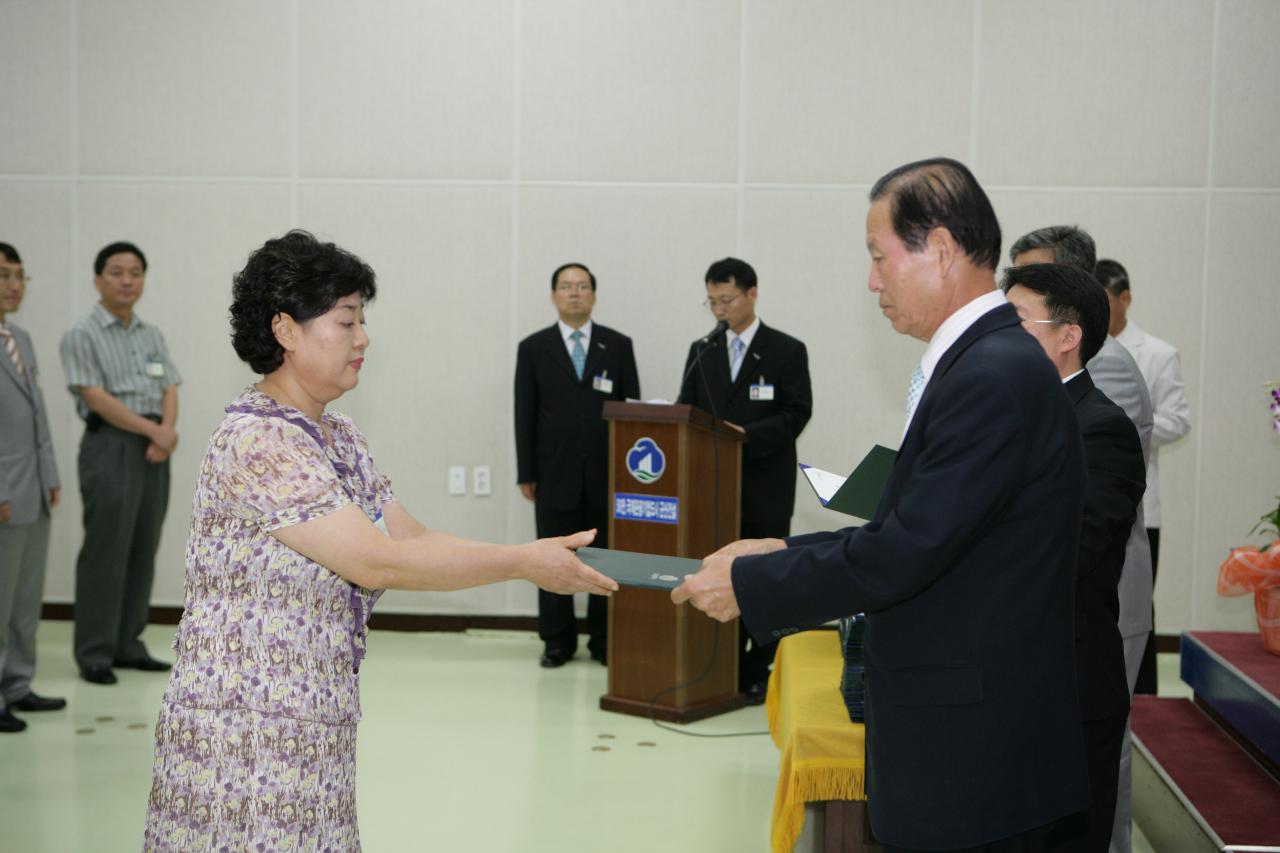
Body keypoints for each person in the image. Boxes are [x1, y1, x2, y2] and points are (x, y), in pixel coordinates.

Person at [144, 231, 617, 851]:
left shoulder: (336, 433)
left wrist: (529, 556)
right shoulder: (258, 439)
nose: (363, 338)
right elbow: (375, 560)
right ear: (286, 330)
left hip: (313, 713)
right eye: (347, 321)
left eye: (362, 320)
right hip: (244, 728)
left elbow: (408, 536)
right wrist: (522, 562)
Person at [674, 158, 1090, 851]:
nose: (872, 280)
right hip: (972, 751)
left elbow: (905, 552)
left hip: (976, 763)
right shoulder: (985, 363)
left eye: (879, 256)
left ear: (941, 249)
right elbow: (918, 530)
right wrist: (778, 550)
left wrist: (752, 582)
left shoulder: (991, 375)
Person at [1010, 227, 1155, 853]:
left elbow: (1068, 549)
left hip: (1067, 676)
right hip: (1014, 675)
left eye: (1016, 322)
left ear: (1068, 336)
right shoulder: (1016, 409)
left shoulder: (1100, 423)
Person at [677, 257, 811, 704]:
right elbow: (685, 410)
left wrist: (747, 436)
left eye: (727, 299)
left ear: (752, 295)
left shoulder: (786, 350)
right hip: (711, 489)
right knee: (717, 570)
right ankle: (722, 665)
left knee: (763, 575)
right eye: (712, 301)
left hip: (763, 485)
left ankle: (760, 667)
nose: (719, 309)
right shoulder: (702, 350)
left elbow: (797, 413)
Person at [59, 242, 180, 685]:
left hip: (154, 449)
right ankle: (95, 651)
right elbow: (94, 395)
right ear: (97, 279)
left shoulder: (151, 335)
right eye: (116, 272)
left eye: (135, 272)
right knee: (105, 550)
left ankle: (129, 643)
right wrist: (154, 433)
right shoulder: (82, 333)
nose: (127, 280)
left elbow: (169, 386)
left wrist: (165, 433)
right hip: (111, 445)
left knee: (141, 547)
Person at [515, 262, 640, 667]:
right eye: (566, 287)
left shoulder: (618, 346)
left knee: (605, 559)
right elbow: (524, 413)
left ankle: (605, 641)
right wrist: (526, 471)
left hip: (608, 476)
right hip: (553, 473)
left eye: (582, 286)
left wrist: (631, 476)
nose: (574, 293)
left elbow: (632, 415)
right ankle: (557, 642)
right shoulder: (533, 348)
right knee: (551, 558)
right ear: (554, 296)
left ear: (594, 295)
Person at [1096, 258, 1191, 695]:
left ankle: (1147, 702)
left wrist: (1132, 421)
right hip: (1093, 497)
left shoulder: (1157, 353)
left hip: (1142, 503)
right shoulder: (1081, 347)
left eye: (1105, 299)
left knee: (1137, 605)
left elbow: (1178, 420)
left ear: (1125, 298)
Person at [0, 243, 65, 733]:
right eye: (4, 275)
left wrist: (51, 475)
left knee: (24, 597)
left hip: (34, 489)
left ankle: (17, 685)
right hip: (4, 492)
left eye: (20, 275)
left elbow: (35, 414)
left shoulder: (19, 337)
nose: (13, 285)